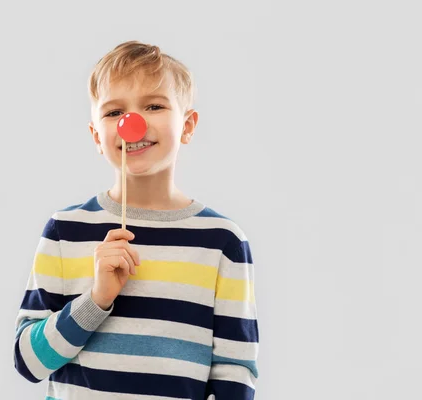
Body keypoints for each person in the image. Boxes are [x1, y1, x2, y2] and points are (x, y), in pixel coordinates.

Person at [13, 40, 259, 399]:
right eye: (114, 113)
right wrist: (95, 299)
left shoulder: (222, 242)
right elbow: (28, 363)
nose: (133, 122)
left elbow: (235, 373)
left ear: (188, 125)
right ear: (98, 136)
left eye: (154, 105)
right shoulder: (66, 231)